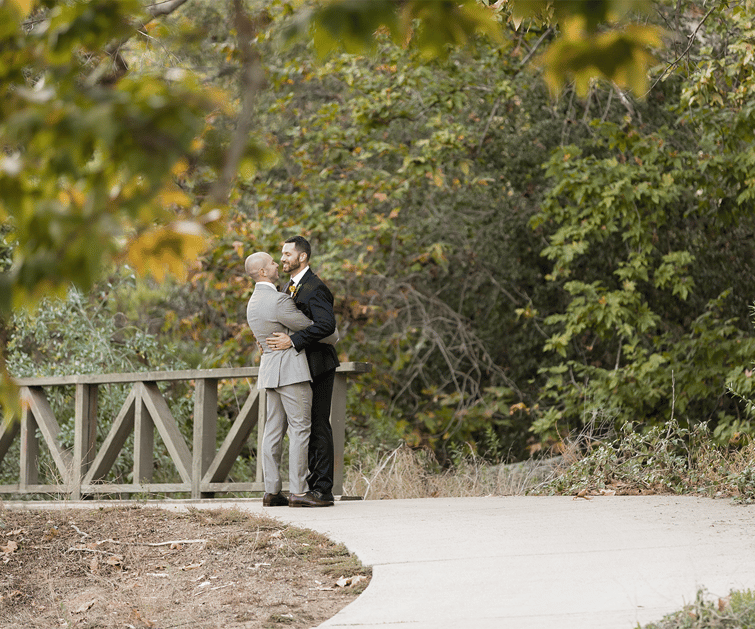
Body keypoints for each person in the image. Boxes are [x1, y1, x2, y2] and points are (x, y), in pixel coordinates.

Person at [245, 251, 336, 508]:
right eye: (272, 263)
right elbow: (310, 325)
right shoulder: (278, 300)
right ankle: (298, 490)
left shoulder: (252, 302)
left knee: (273, 431)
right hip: (291, 372)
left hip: (269, 371)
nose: (277, 265)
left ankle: (272, 490)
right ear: (263, 271)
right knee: (300, 429)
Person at [266, 236, 340, 505]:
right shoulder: (290, 287)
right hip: (297, 368)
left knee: (319, 425)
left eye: (287, 254)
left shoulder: (315, 287)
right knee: (302, 427)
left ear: (303, 257)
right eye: (282, 254)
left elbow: (326, 325)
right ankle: (305, 488)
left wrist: (292, 341)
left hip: (319, 364)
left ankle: (322, 490)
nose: (283, 258)